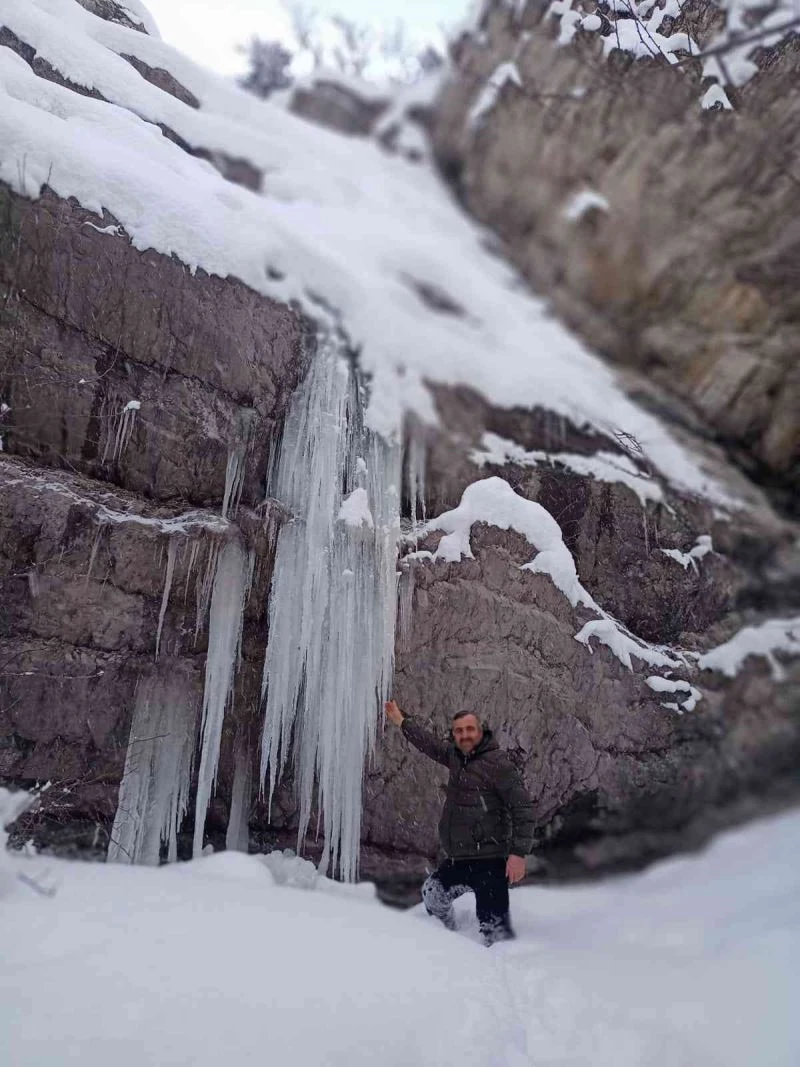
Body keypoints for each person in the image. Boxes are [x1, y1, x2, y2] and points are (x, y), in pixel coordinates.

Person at [384, 699, 536, 945]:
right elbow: (429, 744)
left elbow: (523, 809)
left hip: (490, 861)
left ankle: (496, 970)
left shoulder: (499, 765)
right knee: (432, 895)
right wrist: (402, 721)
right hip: (459, 859)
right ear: (454, 735)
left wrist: (518, 854)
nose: (465, 735)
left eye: (470, 729)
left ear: (480, 731)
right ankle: (448, 941)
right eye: (459, 731)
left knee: (494, 932)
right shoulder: (456, 757)